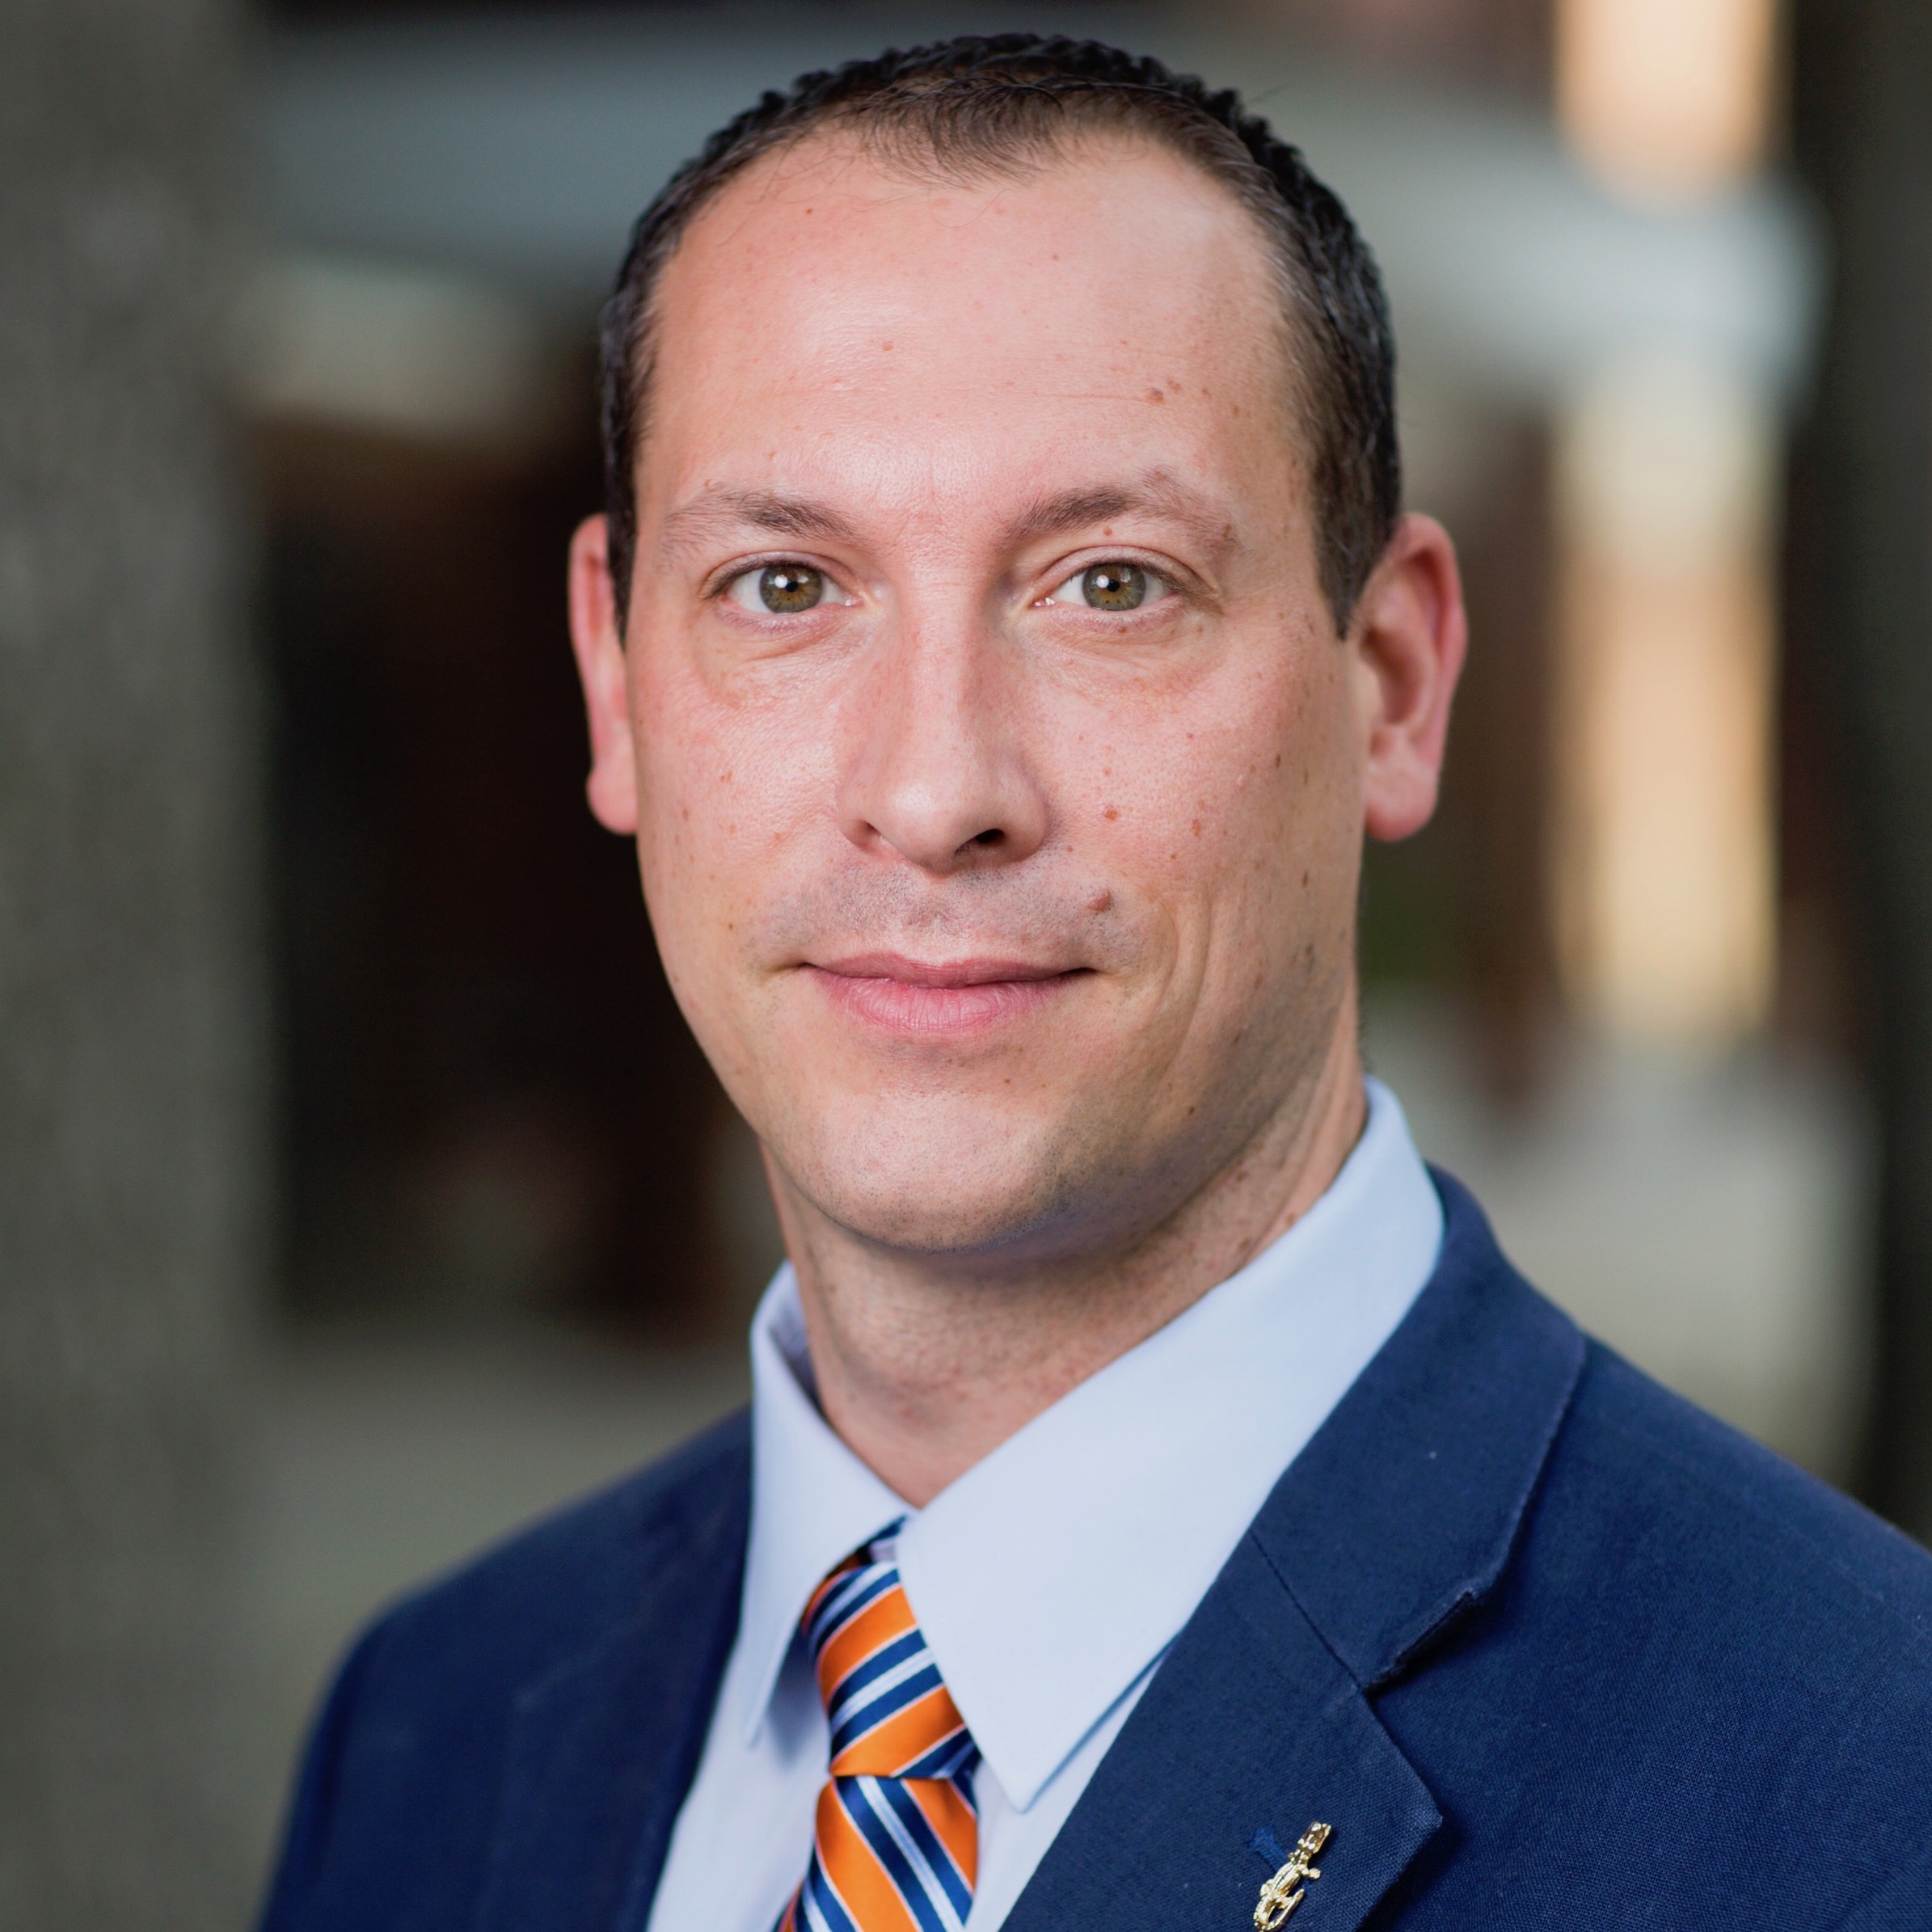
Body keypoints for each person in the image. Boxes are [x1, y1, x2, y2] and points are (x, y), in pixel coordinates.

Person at [257, 36, 1932, 1932]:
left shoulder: (1868, 1790)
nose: (936, 789)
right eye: (786, 588)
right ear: (615, 680)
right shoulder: (435, 1727)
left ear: (1390, 679)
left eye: (1110, 584)